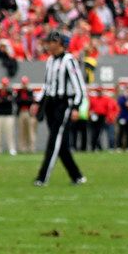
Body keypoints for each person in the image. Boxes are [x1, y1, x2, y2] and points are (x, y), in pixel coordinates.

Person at [34, 30, 86, 186]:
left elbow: (79, 87)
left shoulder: (69, 61)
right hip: (51, 103)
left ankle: (42, 177)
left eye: (52, 42)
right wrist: (38, 102)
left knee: (54, 141)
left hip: (64, 104)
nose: (49, 45)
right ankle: (77, 176)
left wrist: (76, 106)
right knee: (61, 144)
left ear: (60, 44)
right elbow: (47, 85)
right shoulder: (50, 60)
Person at [0, 77, 16, 156]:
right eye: (3, 84)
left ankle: (11, 148)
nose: (4, 86)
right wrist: (5, 100)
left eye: (5, 85)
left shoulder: (10, 92)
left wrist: (3, 100)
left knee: (9, 133)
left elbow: (9, 101)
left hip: (8, 115)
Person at [15, 75, 37, 153]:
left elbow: (31, 101)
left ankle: (31, 148)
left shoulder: (30, 91)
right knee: (22, 131)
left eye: (25, 83)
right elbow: (17, 102)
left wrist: (24, 100)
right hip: (21, 112)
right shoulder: (19, 92)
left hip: (29, 113)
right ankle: (22, 148)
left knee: (30, 131)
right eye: (23, 83)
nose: (24, 85)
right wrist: (25, 100)